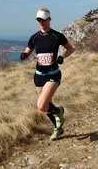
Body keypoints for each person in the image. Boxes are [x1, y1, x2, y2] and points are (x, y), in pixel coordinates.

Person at [20, 8, 75, 141]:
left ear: (49, 20)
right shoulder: (34, 37)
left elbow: (71, 48)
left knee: (41, 105)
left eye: (43, 20)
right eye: (39, 20)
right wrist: (25, 55)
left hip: (53, 74)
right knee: (46, 105)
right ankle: (58, 128)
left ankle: (58, 112)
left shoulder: (57, 36)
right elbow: (28, 50)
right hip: (39, 75)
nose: (41, 22)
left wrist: (62, 57)